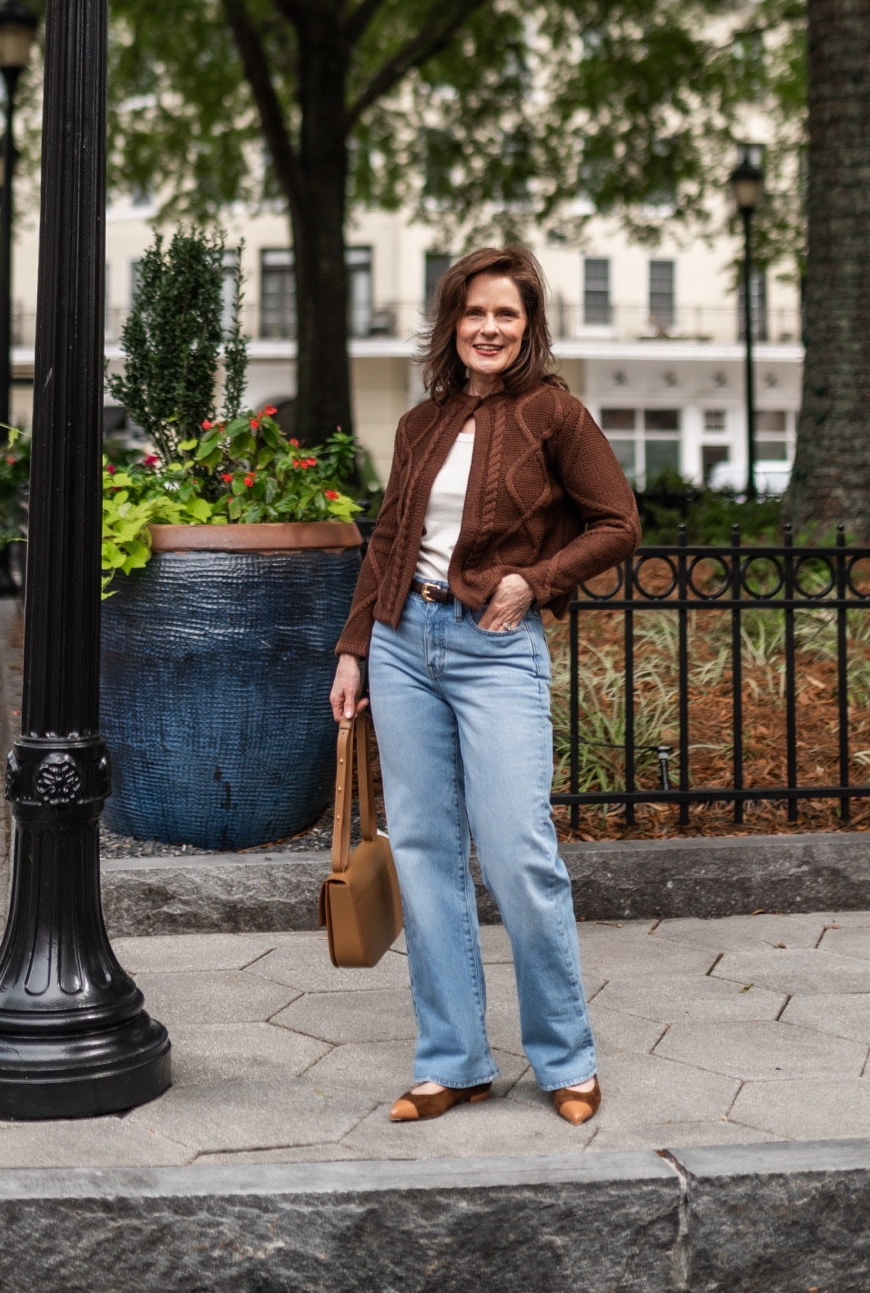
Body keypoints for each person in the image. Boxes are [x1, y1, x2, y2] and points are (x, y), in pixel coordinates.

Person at [329, 244, 640, 1126]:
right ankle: (453, 1061)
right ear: (451, 324)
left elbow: (618, 522)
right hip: (400, 643)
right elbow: (388, 542)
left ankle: (565, 1057)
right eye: (474, 313)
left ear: (528, 326)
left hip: (494, 647)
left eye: (506, 314)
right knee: (423, 854)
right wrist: (354, 649)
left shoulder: (555, 414)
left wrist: (532, 581)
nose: (489, 328)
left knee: (518, 853)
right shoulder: (419, 424)